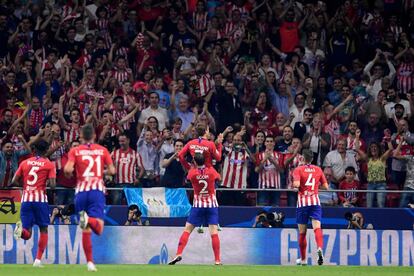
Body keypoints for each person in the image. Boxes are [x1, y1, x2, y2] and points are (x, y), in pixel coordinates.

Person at [63, 124, 115, 272]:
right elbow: (112, 170)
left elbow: (67, 170)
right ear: (94, 136)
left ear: (81, 136)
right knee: (98, 229)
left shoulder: (75, 150)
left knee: (85, 229)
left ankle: (90, 263)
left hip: (81, 193)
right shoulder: (102, 150)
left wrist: (70, 174)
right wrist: (101, 171)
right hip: (96, 191)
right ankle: (89, 220)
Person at [168, 153, 221, 265]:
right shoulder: (211, 171)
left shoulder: (192, 173)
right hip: (211, 205)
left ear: (195, 162)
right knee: (214, 232)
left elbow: (187, 178)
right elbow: (218, 178)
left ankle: (178, 253)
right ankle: (217, 260)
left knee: (187, 230)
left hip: (198, 205)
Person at [12, 140, 56, 268]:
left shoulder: (25, 163)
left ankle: (20, 231)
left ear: (35, 150)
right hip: (40, 200)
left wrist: (25, 187)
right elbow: (53, 186)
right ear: (47, 149)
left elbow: (14, 180)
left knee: (27, 233)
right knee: (43, 229)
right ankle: (37, 261)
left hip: (26, 199)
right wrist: (47, 183)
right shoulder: (48, 164)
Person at [292, 149, 329, 266]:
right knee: (317, 228)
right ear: (312, 159)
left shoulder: (298, 169)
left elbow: (297, 185)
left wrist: (295, 185)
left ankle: (303, 260)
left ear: (302, 158)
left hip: (303, 203)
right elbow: (326, 187)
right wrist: (315, 188)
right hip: (315, 202)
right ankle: (319, 248)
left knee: (302, 232)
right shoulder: (318, 169)